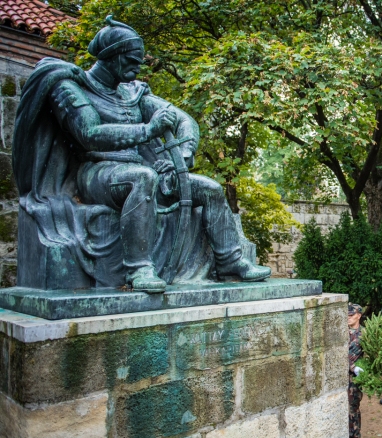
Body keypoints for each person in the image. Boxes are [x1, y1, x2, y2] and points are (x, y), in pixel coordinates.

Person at [14, 16, 270, 291]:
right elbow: (90, 134)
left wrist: (182, 156)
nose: (139, 65)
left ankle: (230, 261)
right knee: (142, 177)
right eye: (132, 59)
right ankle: (139, 269)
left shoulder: (133, 93)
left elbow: (184, 120)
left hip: (140, 169)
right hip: (96, 173)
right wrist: (148, 130)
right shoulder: (72, 88)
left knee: (210, 188)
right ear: (112, 56)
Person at [347, 304, 364, 438]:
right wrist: (352, 366)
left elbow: (369, 356)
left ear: (359, 315)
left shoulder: (364, 334)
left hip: (354, 379)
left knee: (353, 408)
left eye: (351, 315)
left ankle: (353, 437)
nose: (348, 317)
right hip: (341, 376)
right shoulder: (340, 332)